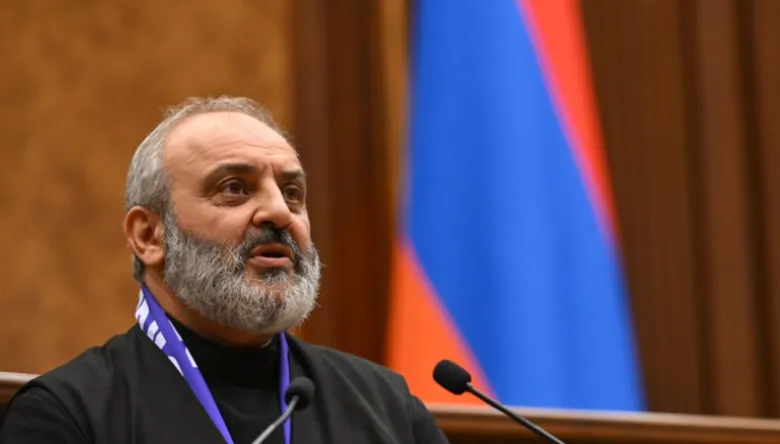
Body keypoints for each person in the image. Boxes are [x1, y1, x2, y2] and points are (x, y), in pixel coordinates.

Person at [0, 96, 449, 444]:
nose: (279, 212)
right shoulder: (67, 414)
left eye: (292, 193)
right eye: (234, 188)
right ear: (149, 235)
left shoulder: (386, 406)